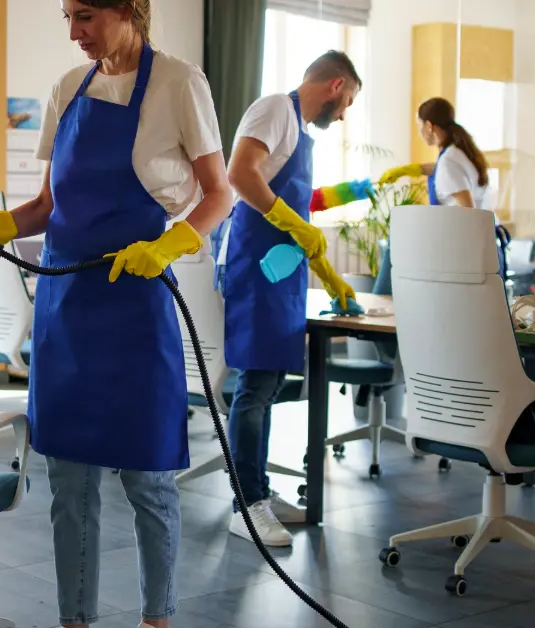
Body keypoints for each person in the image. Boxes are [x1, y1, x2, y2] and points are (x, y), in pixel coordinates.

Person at [0, 2, 231, 627]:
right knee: (68, 483)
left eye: (85, 15)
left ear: (130, 9)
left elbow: (219, 191)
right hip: (66, 308)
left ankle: (157, 618)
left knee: (148, 479)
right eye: (67, 16)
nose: (73, 32)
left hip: (137, 303)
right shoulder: (69, 87)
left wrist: (172, 242)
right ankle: (74, 621)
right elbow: (46, 205)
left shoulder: (179, 83)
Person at [220, 50, 360, 546]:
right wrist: (294, 223)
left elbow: (299, 209)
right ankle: (246, 505)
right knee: (255, 386)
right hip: (257, 269)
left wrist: (330, 275)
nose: (343, 115)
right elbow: (240, 174)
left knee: (270, 383)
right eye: (347, 103)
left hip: (281, 274)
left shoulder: (297, 128)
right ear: (336, 84)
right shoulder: (275, 109)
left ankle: (257, 492)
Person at [379, 97, 510, 279]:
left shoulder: (449, 160)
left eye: (420, 125)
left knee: (398, 245)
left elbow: (467, 210)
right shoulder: (458, 152)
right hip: (487, 245)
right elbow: (442, 171)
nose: (420, 132)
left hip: (471, 252)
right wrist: (410, 170)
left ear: (430, 126)